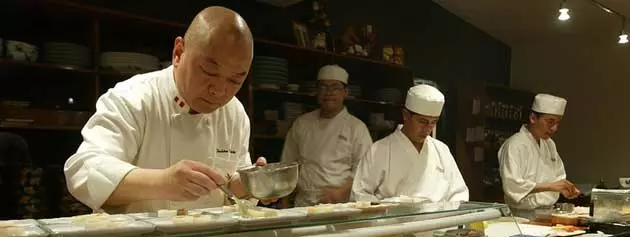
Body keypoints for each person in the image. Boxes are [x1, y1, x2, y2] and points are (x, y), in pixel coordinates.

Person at [65, 6, 267, 213]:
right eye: (209, 71)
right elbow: (83, 171)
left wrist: (249, 184)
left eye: (235, 80)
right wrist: (162, 182)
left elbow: (230, 191)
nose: (220, 90)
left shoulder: (235, 113)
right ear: (178, 53)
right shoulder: (134, 97)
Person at [351, 84, 469, 202]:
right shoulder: (379, 150)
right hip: (395, 219)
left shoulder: (441, 150)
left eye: (433, 122)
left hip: (438, 220)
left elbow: (459, 192)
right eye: (422, 121)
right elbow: (360, 194)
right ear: (406, 115)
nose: (428, 128)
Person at [280, 65, 372, 207]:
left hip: (341, 206)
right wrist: (284, 205)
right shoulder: (302, 123)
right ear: (317, 92)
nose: (328, 92)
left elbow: (365, 170)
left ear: (345, 92)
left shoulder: (357, 128)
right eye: (323, 87)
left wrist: (340, 192)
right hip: (303, 205)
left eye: (335, 87)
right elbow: (287, 166)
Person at [498, 93, 580, 219]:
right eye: (550, 122)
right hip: (522, 217)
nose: (554, 128)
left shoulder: (549, 144)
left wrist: (564, 189)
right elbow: (512, 185)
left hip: (548, 213)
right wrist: (551, 186)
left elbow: (558, 177)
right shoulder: (515, 145)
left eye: (558, 123)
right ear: (533, 118)